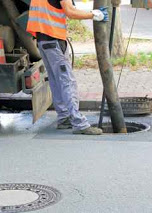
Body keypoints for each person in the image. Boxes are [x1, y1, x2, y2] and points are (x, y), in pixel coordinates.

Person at [27, 0, 108, 135]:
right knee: (67, 81)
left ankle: (64, 117)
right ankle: (79, 123)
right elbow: (70, 12)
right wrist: (94, 14)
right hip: (54, 40)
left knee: (55, 81)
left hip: (43, 41)